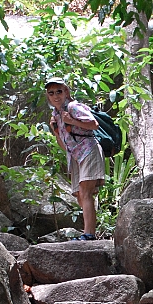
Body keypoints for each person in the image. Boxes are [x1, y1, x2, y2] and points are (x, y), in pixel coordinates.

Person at [46, 77, 105, 239]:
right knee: (79, 194)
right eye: (51, 93)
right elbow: (64, 144)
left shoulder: (73, 106)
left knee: (86, 193)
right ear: (48, 97)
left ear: (66, 92)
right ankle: (89, 232)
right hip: (75, 156)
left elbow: (94, 124)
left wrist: (71, 120)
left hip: (88, 150)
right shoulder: (55, 115)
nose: (56, 96)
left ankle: (89, 234)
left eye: (59, 91)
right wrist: (56, 131)